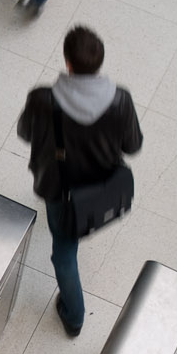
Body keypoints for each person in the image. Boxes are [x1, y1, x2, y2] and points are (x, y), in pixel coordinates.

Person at [16, 26, 143, 337]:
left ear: (68, 63)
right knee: (67, 240)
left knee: (64, 250)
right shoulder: (121, 100)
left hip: (60, 189)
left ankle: (75, 316)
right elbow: (133, 146)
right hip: (100, 186)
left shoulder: (43, 99)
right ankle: (71, 313)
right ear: (98, 64)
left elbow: (25, 133)